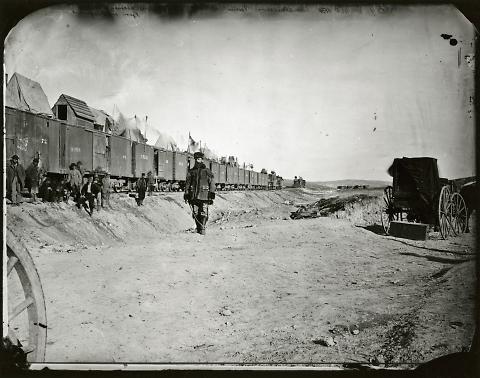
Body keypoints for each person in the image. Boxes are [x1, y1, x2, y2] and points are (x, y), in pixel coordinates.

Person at [184, 151, 216, 235]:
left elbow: (212, 182)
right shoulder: (191, 172)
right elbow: (187, 183)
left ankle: (203, 228)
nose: (199, 161)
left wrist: (211, 193)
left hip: (204, 196)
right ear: (195, 160)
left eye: (201, 159)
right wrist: (186, 193)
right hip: (193, 196)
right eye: (198, 159)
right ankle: (198, 228)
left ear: (202, 160)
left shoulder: (207, 171)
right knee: (195, 212)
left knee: (204, 212)